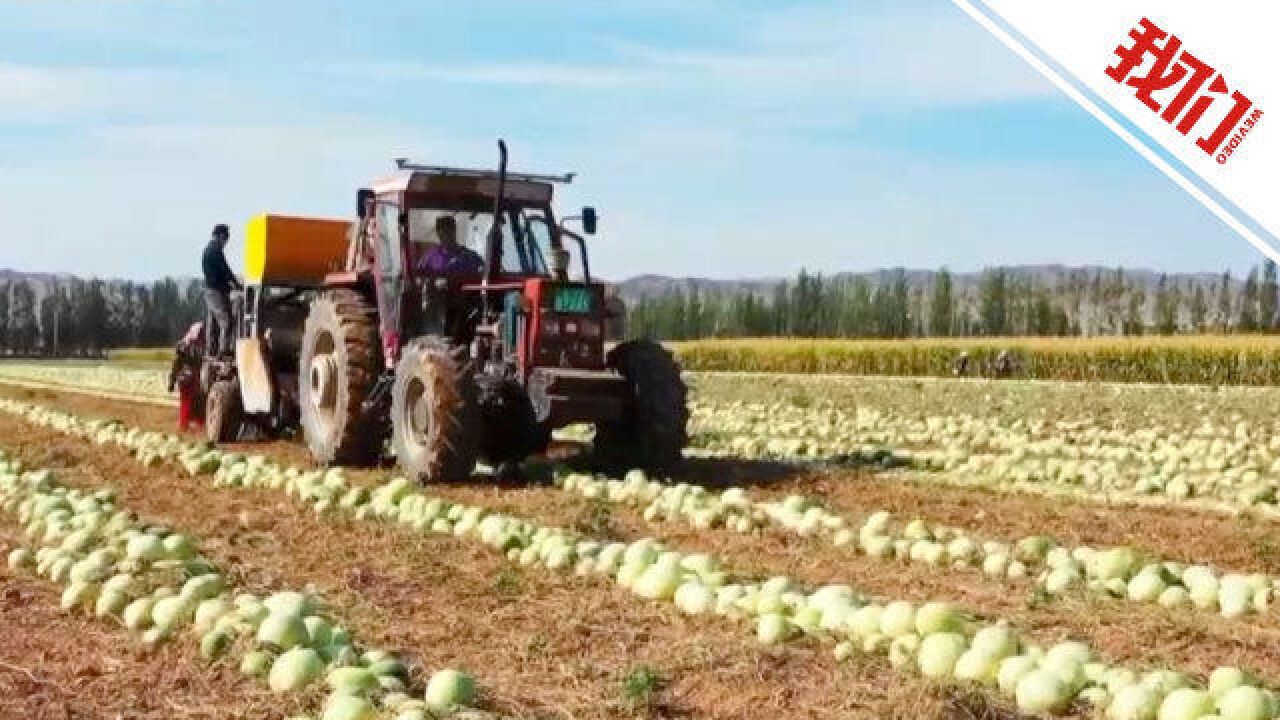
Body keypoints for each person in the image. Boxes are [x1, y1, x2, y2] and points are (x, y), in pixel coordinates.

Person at [202, 223, 241, 357]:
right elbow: (226, 271)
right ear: (220, 236)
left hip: (210, 291)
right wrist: (236, 284)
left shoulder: (208, 250)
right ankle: (223, 351)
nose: (226, 243)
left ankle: (211, 351)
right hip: (216, 292)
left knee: (213, 324)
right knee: (227, 322)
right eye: (225, 239)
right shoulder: (215, 251)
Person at [415, 215, 483, 276]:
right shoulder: (429, 258)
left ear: (454, 230)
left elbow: (484, 275)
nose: (446, 235)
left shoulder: (471, 257)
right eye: (443, 231)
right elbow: (418, 277)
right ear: (438, 234)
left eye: (449, 230)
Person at [168, 322, 205, 431]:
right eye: (200, 333)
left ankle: (200, 424)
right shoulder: (184, 345)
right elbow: (176, 364)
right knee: (187, 401)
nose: (202, 336)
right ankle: (183, 425)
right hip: (186, 377)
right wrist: (172, 381)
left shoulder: (202, 345)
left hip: (197, 377)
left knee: (199, 400)